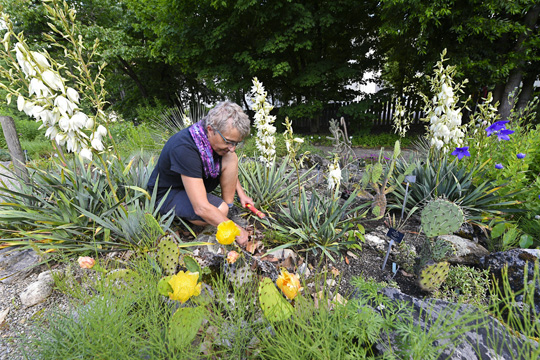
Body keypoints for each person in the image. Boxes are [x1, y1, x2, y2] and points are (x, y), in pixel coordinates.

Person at [147, 101, 254, 245]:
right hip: (168, 193)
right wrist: (236, 230)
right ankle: (195, 218)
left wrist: (241, 193)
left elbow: (230, 168)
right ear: (210, 129)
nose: (232, 147)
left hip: (193, 183)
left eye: (236, 143)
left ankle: (229, 210)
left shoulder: (208, 138)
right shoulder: (185, 147)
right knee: (218, 210)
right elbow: (201, 207)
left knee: (230, 158)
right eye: (228, 141)